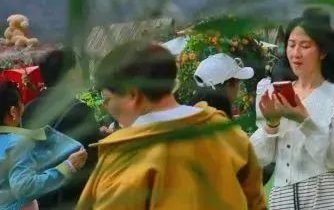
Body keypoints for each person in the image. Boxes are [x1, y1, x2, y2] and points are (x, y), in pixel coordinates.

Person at [78, 42, 265, 210]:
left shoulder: (124, 157)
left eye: (107, 99)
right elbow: (255, 201)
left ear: (133, 95)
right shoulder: (227, 133)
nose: (107, 107)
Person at [252, 13, 334, 210]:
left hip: (325, 196)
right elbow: (260, 158)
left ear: (322, 52)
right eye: (291, 45)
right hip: (281, 198)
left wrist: (304, 119)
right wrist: (271, 125)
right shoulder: (274, 93)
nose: (296, 53)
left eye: (305, 46)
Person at [23, 48, 99, 209]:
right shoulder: (80, 110)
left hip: (41, 196)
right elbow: (93, 153)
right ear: (70, 74)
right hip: (73, 197)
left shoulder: (29, 110)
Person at [1, 80, 86, 210]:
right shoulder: (17, 143)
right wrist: (67, 167)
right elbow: (23, 187)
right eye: (20, 104)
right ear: (13, 111)